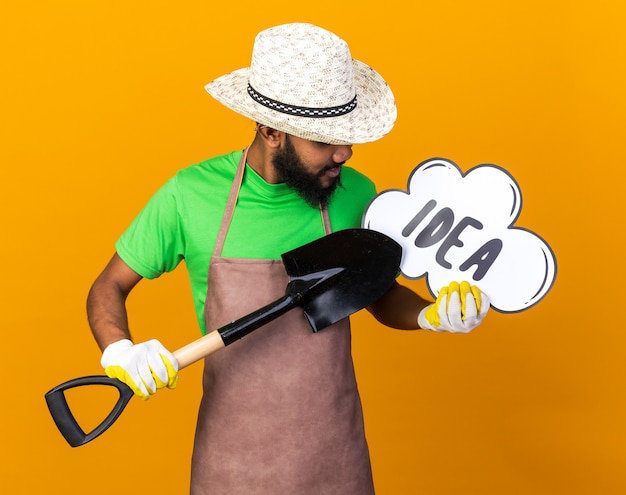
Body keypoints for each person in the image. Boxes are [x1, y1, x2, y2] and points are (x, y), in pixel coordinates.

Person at [87, 23, 490, 494]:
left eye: (345, 136)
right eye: (323, 140)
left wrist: (431, 315)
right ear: (271, 131)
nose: (344, 152)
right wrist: (120, 348)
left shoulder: (356, 195)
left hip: (332, 453)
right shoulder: (190, 195)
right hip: (232, 457)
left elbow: (375, 292)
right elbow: (108, 286)